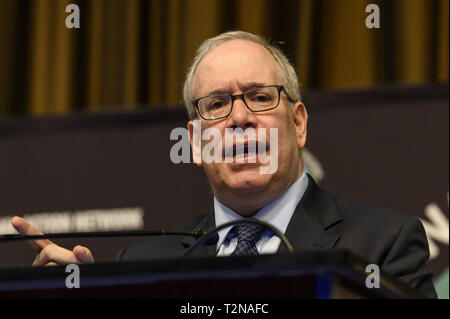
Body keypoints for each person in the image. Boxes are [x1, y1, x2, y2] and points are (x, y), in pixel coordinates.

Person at [11, 31, 436, 298]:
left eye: (260, 96)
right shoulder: (141, 263)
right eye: (216, 104)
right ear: (195, 142)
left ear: (299, 123)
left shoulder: (383, 243)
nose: (239, 118)